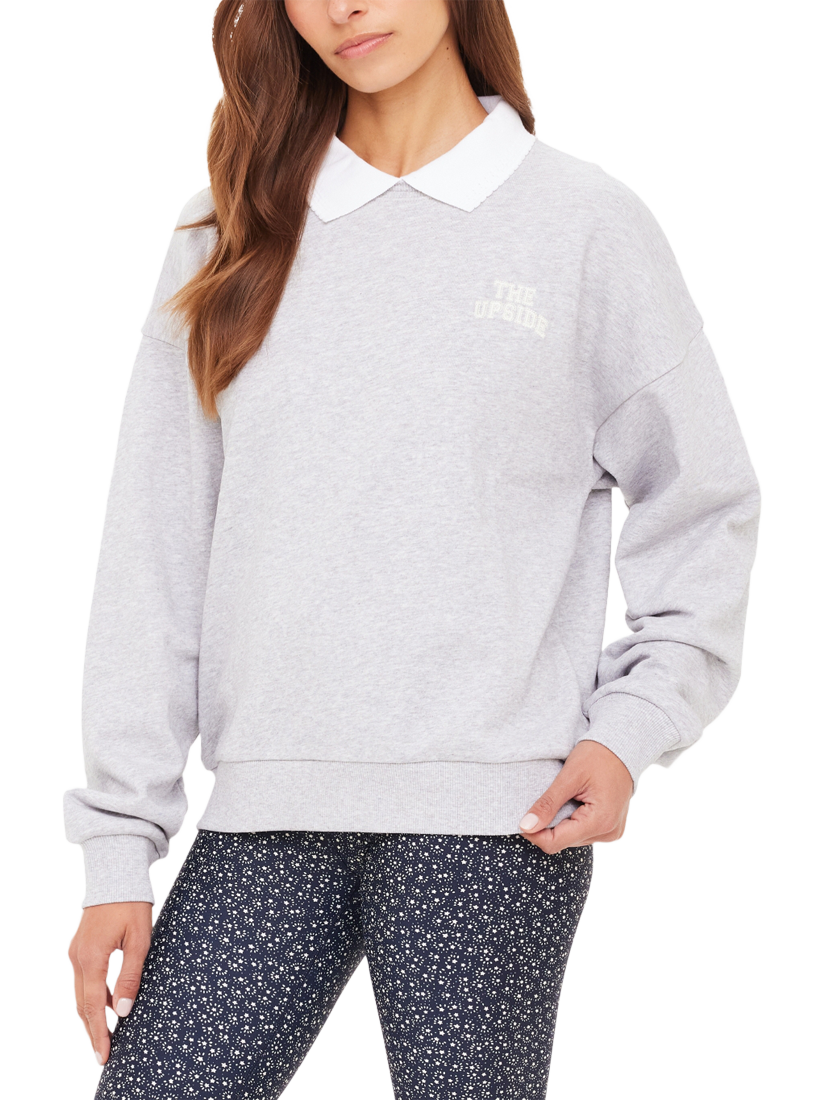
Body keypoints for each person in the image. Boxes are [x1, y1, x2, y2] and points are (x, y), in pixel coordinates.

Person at [63, 1, 761, 1097]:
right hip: (266, 814)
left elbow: (704, 506)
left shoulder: (584, 227)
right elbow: (154, 552)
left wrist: (630, 729)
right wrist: (118, 848)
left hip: (496, 826)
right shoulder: (228, 233)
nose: (342, 5)